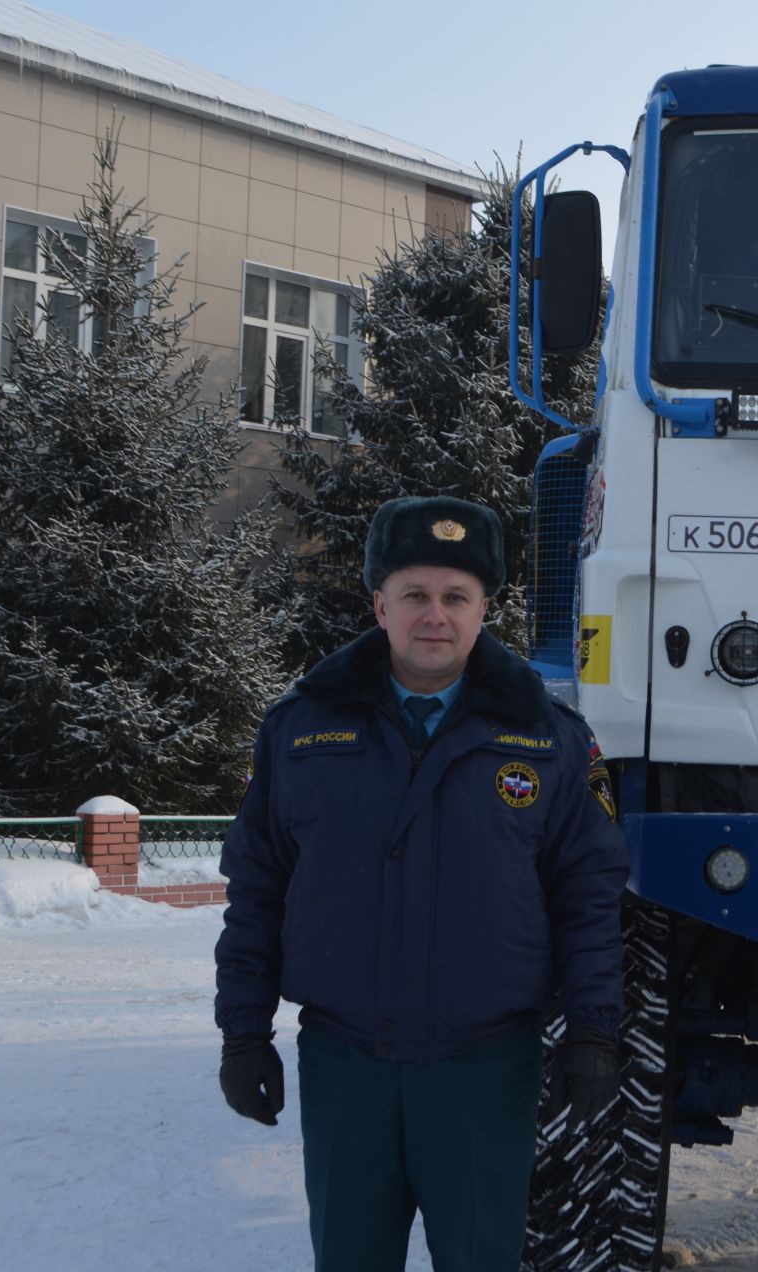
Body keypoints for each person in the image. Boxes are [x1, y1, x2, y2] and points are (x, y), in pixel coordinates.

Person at [213, 495, 630, 1271]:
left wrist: (594, 1030)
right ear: (379, 604)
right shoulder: (299, 731)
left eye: (455, 597)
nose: (433, 616)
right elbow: (257, 889)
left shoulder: (552, 740)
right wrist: (244, 1031)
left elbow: (589, 896)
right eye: (414, 595)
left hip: (484, 1071)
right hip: (347, 1067)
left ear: (482, 610)